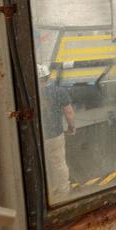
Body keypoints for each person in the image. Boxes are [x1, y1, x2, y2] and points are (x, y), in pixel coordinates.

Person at [39, 65, 76, 201]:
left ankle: (48, 191)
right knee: (58, 163)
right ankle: (63, 192)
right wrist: (71, 127)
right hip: (55, 135)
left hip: (38, 136)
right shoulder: (59, 91)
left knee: (43, 164)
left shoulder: (32, 94)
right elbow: (69, 112)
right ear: (48, 77)